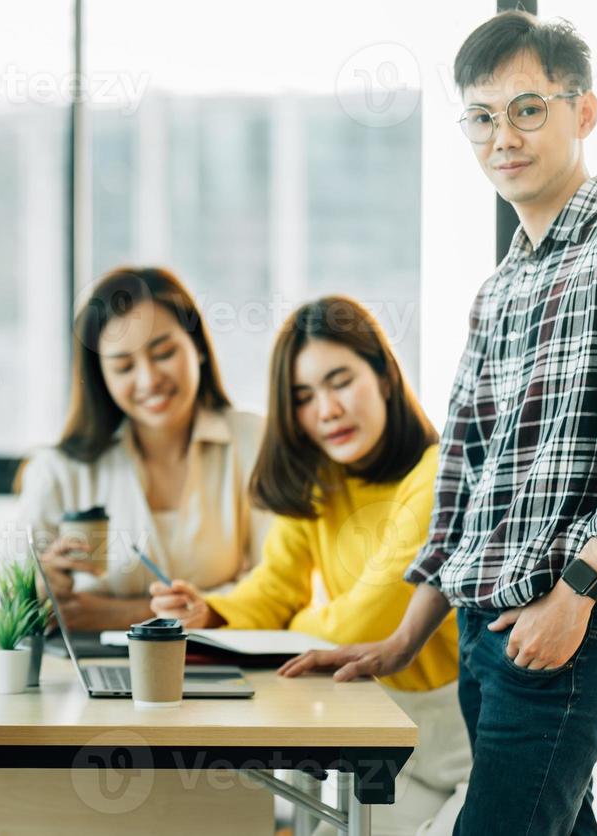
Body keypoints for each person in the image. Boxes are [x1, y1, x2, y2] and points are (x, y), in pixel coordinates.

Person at [284, 10, 597, 835]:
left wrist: (576, 595)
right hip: (487, 637)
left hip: (572, 626)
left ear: (584, 112)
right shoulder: (500, 291)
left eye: (528, 109)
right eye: (482, 118)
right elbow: (465, 485)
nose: (504, 137)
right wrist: (404, 640)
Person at [152, 296, 469, 836]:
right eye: (304, 396)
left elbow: (372, 620)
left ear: (385, 377)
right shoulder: (320, 483)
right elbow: (276, 587)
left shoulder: (438, 471)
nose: (327, 410)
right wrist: (213, 612)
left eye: (340, 380)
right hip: (400, 741)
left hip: (471, 740)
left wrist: (285, 633)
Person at [14, 266, 268, 632]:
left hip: (225, 668)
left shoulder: (252, 441)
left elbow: (278, 589)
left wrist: (109, 614)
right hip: (84, 675)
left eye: (163, 353)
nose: (148, 380)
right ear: (102, 377)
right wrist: (36, 589)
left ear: (196, 346)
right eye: (123, 366)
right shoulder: (59, 468)